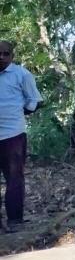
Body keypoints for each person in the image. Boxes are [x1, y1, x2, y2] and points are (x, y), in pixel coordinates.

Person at [0, 40, 42, 232]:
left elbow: (34, 99)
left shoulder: (22, 74)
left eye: (5, 53)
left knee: (14, 177)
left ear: (12, 56)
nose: (1, 57)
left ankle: (15, 220)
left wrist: (21, 111)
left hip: (13, 134)